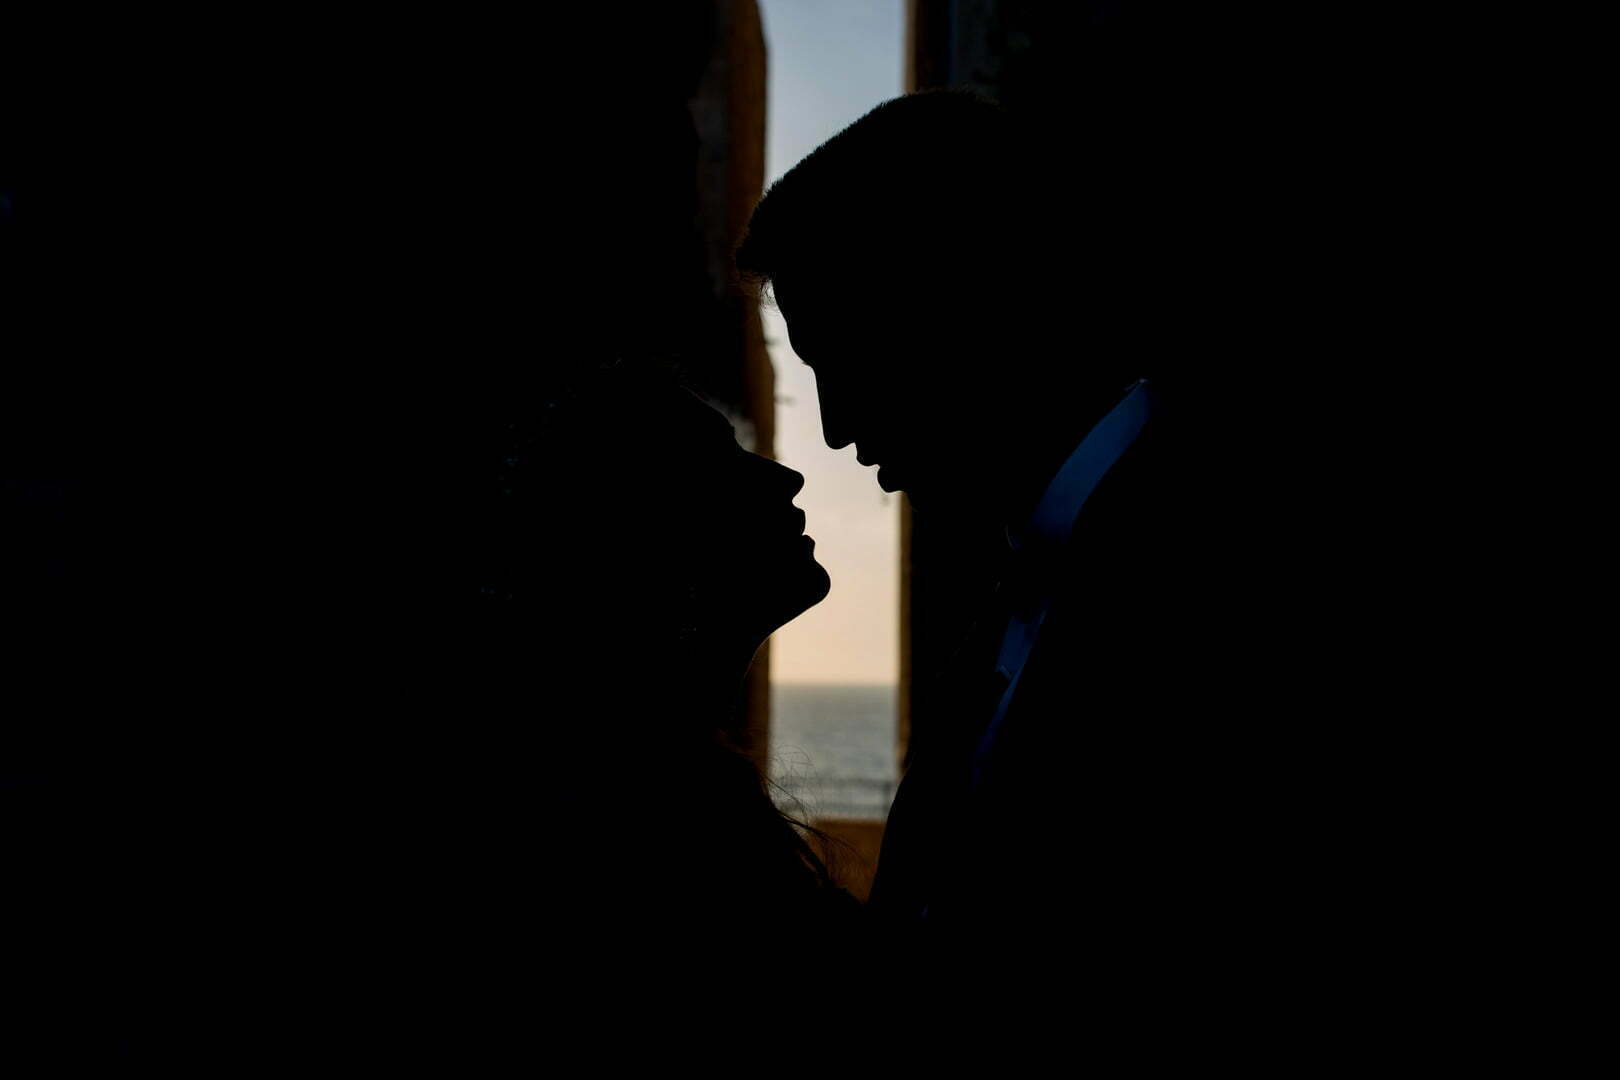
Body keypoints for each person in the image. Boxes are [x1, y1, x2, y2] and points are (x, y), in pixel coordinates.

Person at [736, 91, 1343, 1002]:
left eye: (845, 356)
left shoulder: (1246, 561)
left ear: (964, 299)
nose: (834, 428)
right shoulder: (1014, 601)